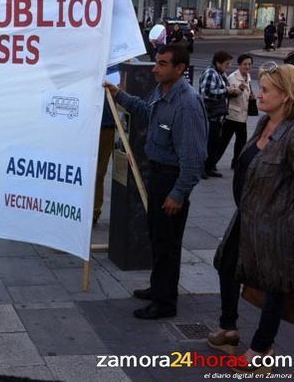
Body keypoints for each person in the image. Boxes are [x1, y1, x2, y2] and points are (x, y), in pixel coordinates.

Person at [104, 44, 207, 320]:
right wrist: (119, 95)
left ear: (180, 68)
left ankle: (165, 303)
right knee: (158, 239)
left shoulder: (187, 103)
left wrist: (178, 193)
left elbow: (194, 159)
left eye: (162, 64)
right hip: (157, 175)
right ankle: (157, 287)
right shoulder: (161, 92)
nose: (155, 68)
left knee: (167, 245)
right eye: (156, 62)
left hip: (171, 179)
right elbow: (146, 111)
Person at [208, 63, 294, 375]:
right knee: (226, 264)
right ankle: (228, 327)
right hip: (246, 215)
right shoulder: (263, 124)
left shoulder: (292, 134)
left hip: (276, 226)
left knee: (274, 284)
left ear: (286, 96)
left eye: (267, 90)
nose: (259, 94)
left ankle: (262, 348)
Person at [199, 51, 238, 178]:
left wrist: (233, 90)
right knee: (208, 143)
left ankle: (209, 167)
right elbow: (207, 93)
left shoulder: (221, 74)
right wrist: (227, 90)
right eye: (227, 63)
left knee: (214, 143)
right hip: (210, 115)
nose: (229, 66)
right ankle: (203, 169)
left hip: (218, 115)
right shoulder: (210, 73)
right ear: (218, 63)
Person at [219, 54, 253, 169]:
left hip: (242, 115)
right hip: (232, 115)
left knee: (241, 142)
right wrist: (241, 89)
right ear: (239, 65)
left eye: (249, 64)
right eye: (245, 64)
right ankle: (210, 164)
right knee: (223, 142)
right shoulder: (233, 77)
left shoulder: (248, 76)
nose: (247, 66)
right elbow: (231, 95)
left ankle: (236, 163)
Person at [93, 101, 115, 226]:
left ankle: (94, 211)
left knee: (98, 173)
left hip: (107, 125)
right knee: (94, 173)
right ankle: (92, 210)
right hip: (94, 124)